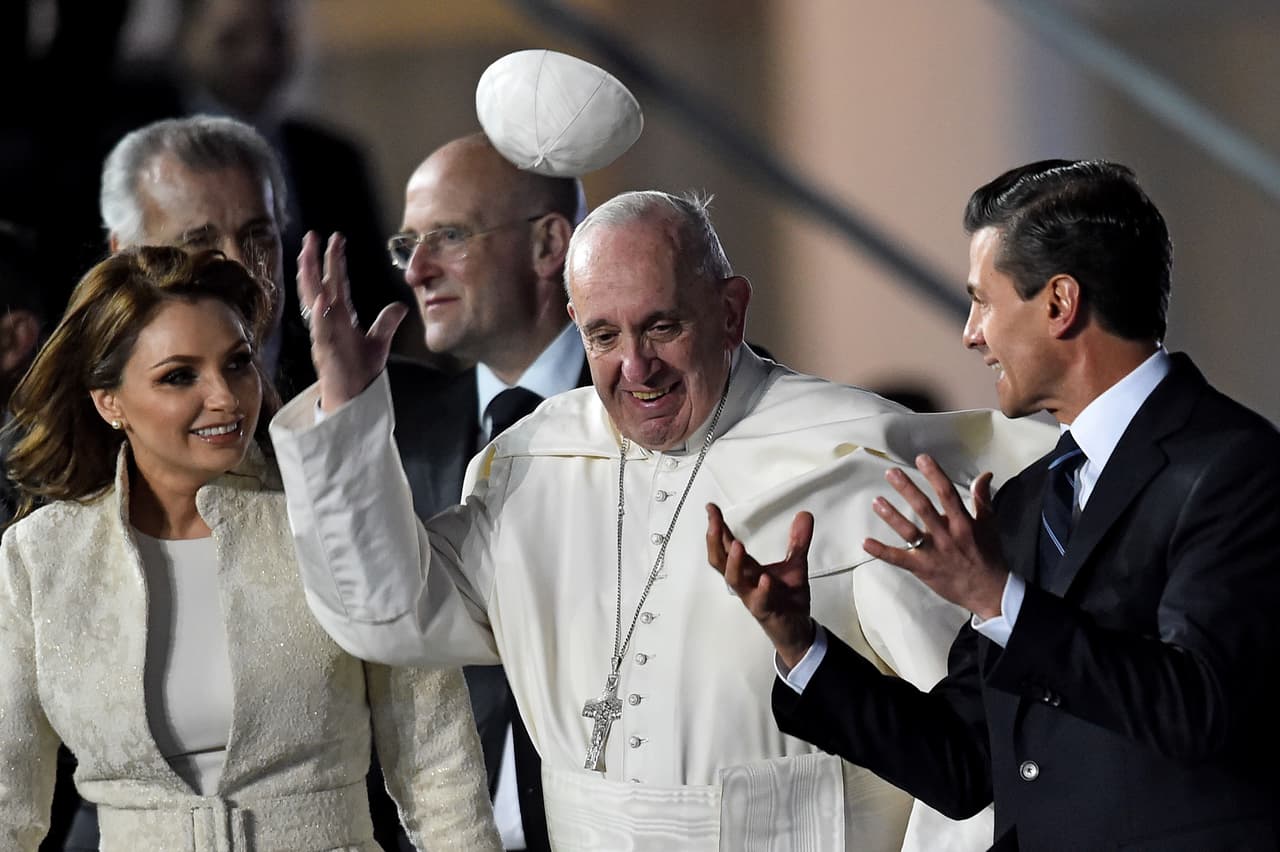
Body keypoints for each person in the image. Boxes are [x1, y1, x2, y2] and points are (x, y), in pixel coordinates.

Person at [270, 190, 1053, 850]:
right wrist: (345, 413)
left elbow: (976, 763)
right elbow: (391, 616)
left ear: (731, 311)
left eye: (661, 327)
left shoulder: (849, 463)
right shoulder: (534, 465)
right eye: (603, 336)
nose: (634, 368)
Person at [711, 160, 1280, 851]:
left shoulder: (1237, 466)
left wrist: (997, 597)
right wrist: (799, 644)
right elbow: (964, 767)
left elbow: (1198, 707)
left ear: (1059, 304)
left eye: (983, 300)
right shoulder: (1026, 499)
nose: (970, 332)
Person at [0, 246, 501, 850]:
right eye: (180, 376)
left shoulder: (328, 518)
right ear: (109, 402)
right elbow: (9, 801)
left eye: (237, 363)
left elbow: (436, 759)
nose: (226, 397)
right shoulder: (40, 556)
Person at [382, 132, 589, 852]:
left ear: (547, 243)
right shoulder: (393, 439)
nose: (418, 270)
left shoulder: (662, 410)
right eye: (407, 244)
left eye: (448, 236)